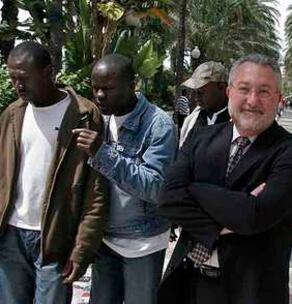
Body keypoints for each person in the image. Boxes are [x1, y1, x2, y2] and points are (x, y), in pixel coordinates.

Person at [158, 54, 292, 304]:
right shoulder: (201, 138)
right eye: (244, 89)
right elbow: (168, 198)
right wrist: (229, 218)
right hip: (188, 283)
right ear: (230, 92)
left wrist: (194, 189)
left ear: (278, 98)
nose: (252, 101)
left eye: (264, 91)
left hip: (250, 292)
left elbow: (253, 216)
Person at [0, 41, 107, 304]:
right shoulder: (12, 114)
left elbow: (95, 191)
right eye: (12, 78)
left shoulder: (84, 115)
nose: (17, 85)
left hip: (55, 238)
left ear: (47, 72)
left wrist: (82, 250)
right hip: (11, 236)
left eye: (23, 78)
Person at [73, 54, 177, 304]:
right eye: (95, 87)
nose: (98, 95)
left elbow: (155, 187)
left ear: (132, 85)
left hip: (142, 240)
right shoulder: (98, 118)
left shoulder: (159, 125)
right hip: (104, 237)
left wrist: (102, 153)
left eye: (107, 88)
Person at [179, 61, 230, 147]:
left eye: (201, 92)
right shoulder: (192, 121)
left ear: (222, 87)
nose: (196, 97)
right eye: (194, 92)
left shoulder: (235, 123)